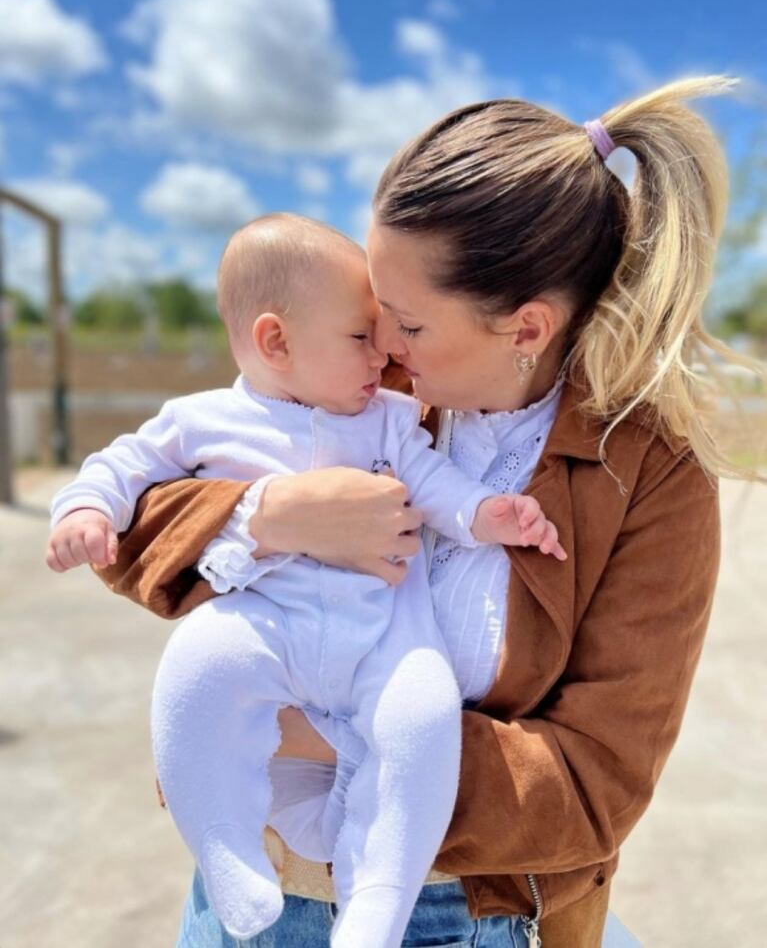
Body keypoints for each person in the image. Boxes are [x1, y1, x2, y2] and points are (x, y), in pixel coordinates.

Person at [86, 75, 763, 947]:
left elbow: (595, 787)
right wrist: (272, 513)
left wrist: (313, 731)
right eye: (374, 314)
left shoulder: (650, 478)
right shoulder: (368, 376)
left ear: (523, 328)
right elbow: (131, 513)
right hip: (243, 887)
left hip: (452, 917)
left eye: (406, 322)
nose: (383, 346)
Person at [46, 214, 565, 947]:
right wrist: (86, 509)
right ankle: (226, 849)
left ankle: (377, 905)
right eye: (360, 335)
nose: (380, 350)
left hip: (380, 637)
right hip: (266, 627)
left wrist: (487, 513)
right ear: (274, 341)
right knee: (193, 672)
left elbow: (434, 482)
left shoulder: (385, 418)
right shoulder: (203, 420)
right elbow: (122, 466)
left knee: (423, 715)